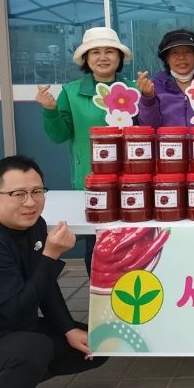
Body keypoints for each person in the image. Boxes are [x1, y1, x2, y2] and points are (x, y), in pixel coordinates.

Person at [0, 156, 107, 388]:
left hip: (13, 330)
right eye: (18, 194)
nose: (30, 202)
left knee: (96, 345)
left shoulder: (35, 225)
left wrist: (68, 328)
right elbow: (16, 309)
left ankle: (2, 386)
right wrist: (50, 255)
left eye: (37, 191)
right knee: (34, 349)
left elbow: (45, 288)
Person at [36, 27, 135, 274]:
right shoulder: (71, 92)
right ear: (86, 59)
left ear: (119, 57)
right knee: (97, 241)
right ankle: (99, 290)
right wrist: (50, 110)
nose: (103, 57)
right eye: (95, 52)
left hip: (132, 177)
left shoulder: (134, 89)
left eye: (109, 51)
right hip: (91, 179)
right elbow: (59, 135)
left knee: (132, 237)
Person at [137, 29, 194, 127]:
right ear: (167, 59)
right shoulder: (154, 86)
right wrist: (148, 98)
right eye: (175, 53)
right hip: (167, 138)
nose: (181, 57)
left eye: (188, 52)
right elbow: (149, 125)